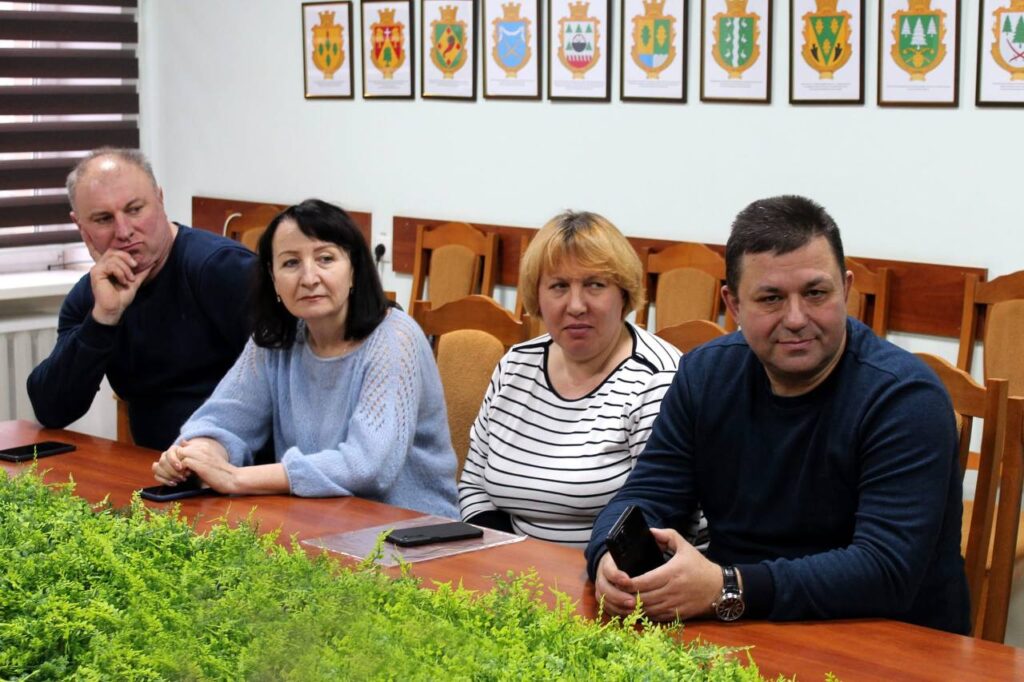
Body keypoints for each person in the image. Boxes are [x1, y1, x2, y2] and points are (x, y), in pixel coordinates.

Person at [586, 195, 970, 635]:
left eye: (815, 293)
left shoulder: (905, 398)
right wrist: (607, 558)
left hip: (889, 640)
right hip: (743, 629)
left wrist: (727, 586)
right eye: (771, 298)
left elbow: (885, 570)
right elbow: (648, 494)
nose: (796, 318)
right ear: (733, 305)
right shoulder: (704, 375)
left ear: (846, 289)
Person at [152, 199, 458, 518]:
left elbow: (368, 468)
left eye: (325, 259)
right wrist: (194, 455)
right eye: (291, 263)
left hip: (410, 528)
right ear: (273, 278)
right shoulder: (276, 338)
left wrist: (235, 478)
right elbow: (223, 419)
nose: (309, 278)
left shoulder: (394, 338)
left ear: (354, 269)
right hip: (317, 519)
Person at [458, 211, 687, 546]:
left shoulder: (658, 379)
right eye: (559, 286)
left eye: (595, 284)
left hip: (614, 571)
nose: (576, 305)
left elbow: (660, 520)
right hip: (512, 567)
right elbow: (474, 486)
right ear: (537, 296)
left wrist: (579, 569)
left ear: (623, 293)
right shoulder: (515, 365)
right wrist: (506, 558)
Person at [27, 148, 256, 450]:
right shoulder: (93, 294)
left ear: (160, 199)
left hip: (240, 464)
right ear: (81, 227)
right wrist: (103, 319)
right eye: (103, 219)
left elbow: (287, 387)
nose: (124, 231)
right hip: (149, 465)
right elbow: (52, 409)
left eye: (135, 209)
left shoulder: (221, 268)